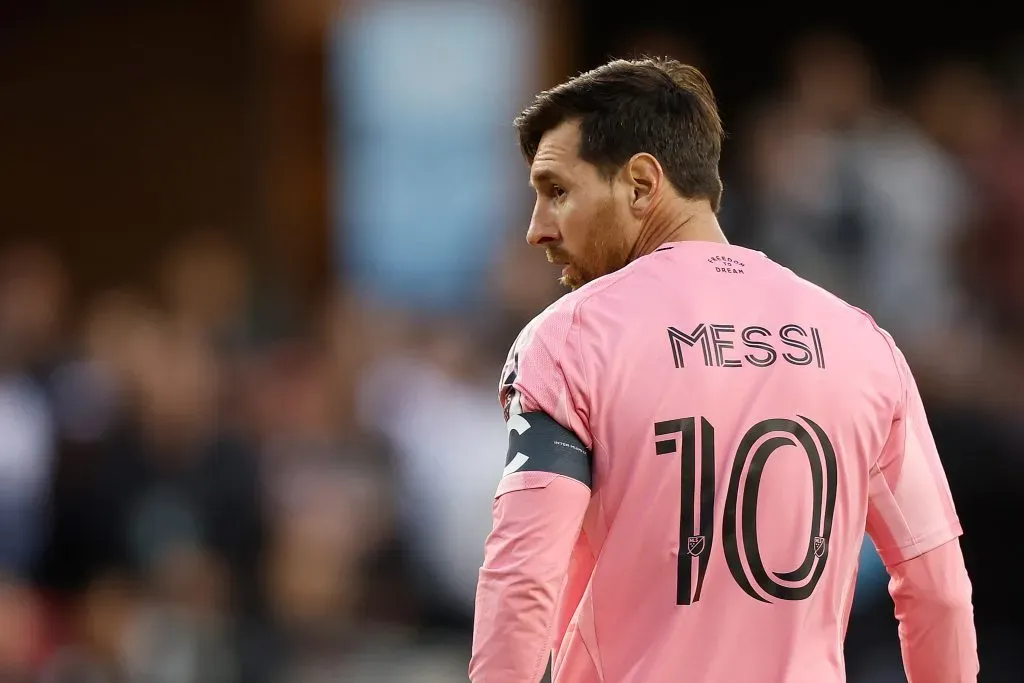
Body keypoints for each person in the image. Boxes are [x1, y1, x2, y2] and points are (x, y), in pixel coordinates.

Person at [469, 58, 978, 683]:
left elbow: (522, 580)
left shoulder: (571, 339)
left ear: (640, 184)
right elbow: (939, 590)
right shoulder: (863, 345)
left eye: (557, 192)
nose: (536, 230)